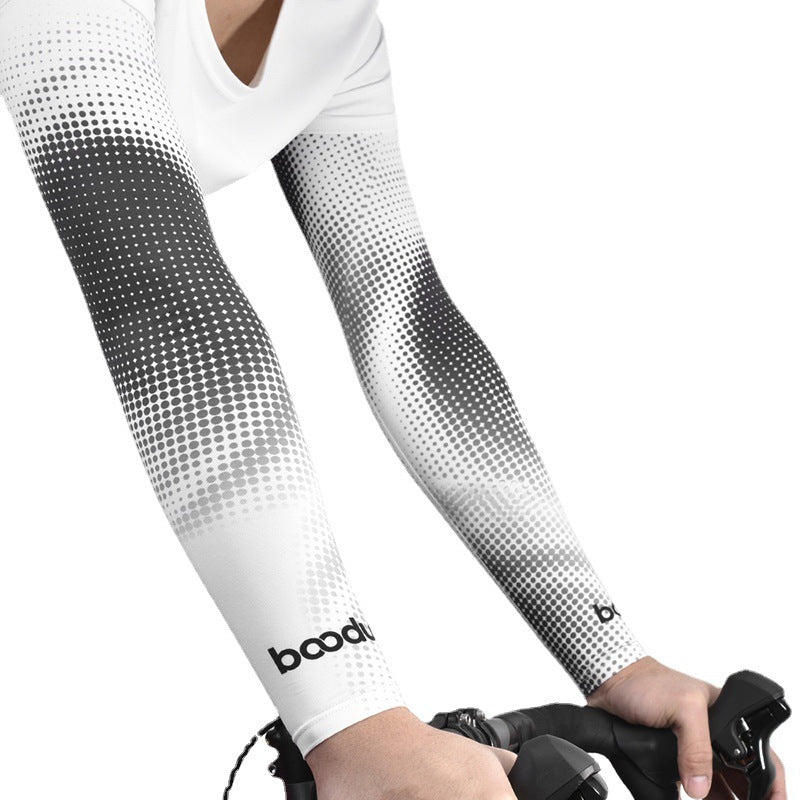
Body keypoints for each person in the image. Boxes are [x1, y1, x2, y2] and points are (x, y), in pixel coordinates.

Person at [0, 1, 786, 799]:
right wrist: (355, 726)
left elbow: (409, 329)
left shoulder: (339, 32)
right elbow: (170, 306)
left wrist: (615, 659)